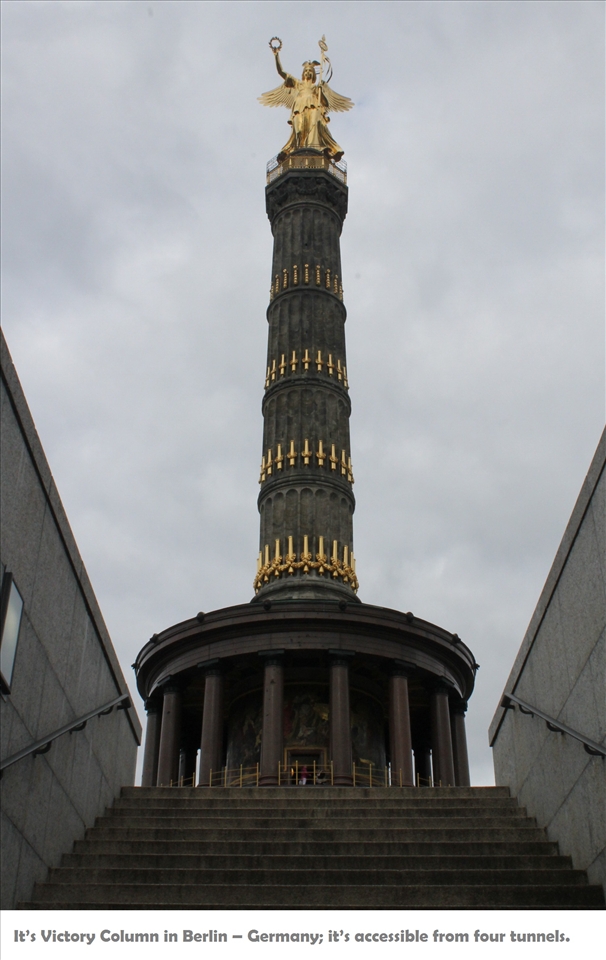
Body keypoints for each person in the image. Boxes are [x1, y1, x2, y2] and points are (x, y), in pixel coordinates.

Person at [259, 43, 353, 162]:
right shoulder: (297, 84)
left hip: (314, 107)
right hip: (300, 108)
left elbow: (326, 104)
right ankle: (298, 150)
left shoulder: (316, 87)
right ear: (303, 73)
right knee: (298, 130)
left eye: (310, 71)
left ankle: (315, 150)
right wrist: (276, 55)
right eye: (306, 70)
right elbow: (281, 72)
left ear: (313, 74)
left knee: (315, 125)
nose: (308, 72)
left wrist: (320, 91)